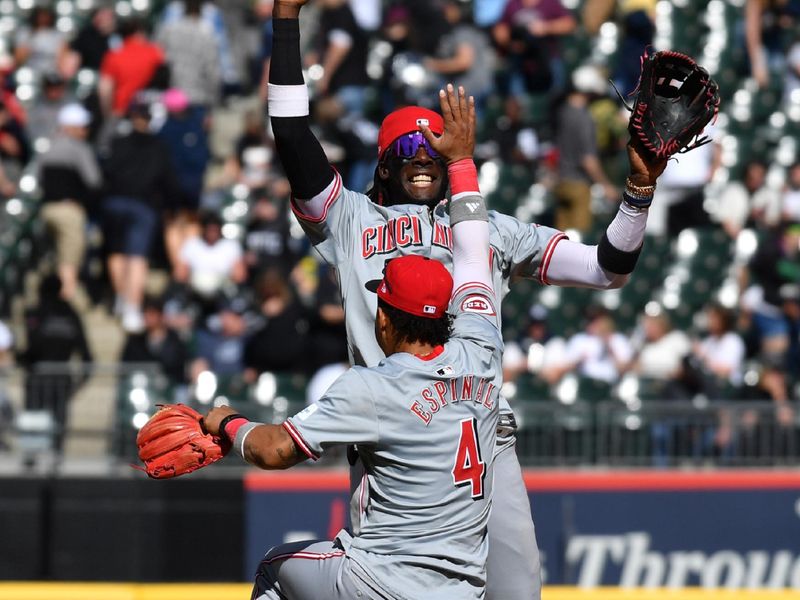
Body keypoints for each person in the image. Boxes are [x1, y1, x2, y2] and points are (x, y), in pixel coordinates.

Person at [266, 1, 667, 597]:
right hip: (391, 431)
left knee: (517, 593)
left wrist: (637, 192)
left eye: (434, 147)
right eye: (407, 149)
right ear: (382, 164)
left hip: (480, 435)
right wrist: (286, 19)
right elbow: (293, 133)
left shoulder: (487, 226)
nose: (423, 157)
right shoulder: (349, 218)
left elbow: (606, 268)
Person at [204, 85, 503, 598]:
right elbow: (475, 258)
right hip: (464, 589)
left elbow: (275, 451)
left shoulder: (370, 388)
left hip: (382, 583)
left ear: (385, 317)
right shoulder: (483, 351)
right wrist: (464, 162)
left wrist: (225, 422)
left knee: (277, 567)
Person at [37, 103, 102, 301]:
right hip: (68, 210)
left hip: (47, 209)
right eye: (82, 126)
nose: (85, 131)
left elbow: (39, 179)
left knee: (56, 254)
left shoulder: (47, 146)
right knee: (70, 258)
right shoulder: (79, 148)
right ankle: (67, 298)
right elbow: (94, 181)